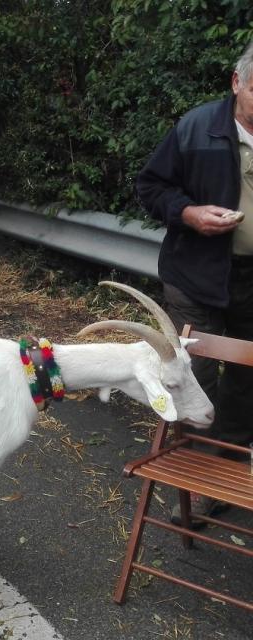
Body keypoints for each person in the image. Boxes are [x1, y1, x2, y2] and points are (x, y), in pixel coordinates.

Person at [137, 41, 253, 526]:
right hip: (196, 277)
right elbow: (150, 187)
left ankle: (223, 473)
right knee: (197, 378)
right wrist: (188, 213)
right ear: (237, 83)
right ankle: (189, 471)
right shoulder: (196, 128)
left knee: (246, 381)